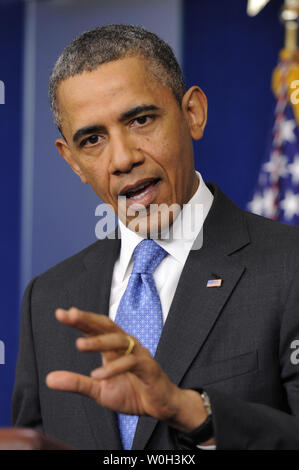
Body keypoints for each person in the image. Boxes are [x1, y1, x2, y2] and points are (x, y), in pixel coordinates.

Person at [12, 24, 299, 450]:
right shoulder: (48, 298)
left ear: (193, 114)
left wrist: (195, 414)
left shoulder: (288, 266)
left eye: (141, 119)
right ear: (72, 161)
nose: (123, 158)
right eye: (92, 140)